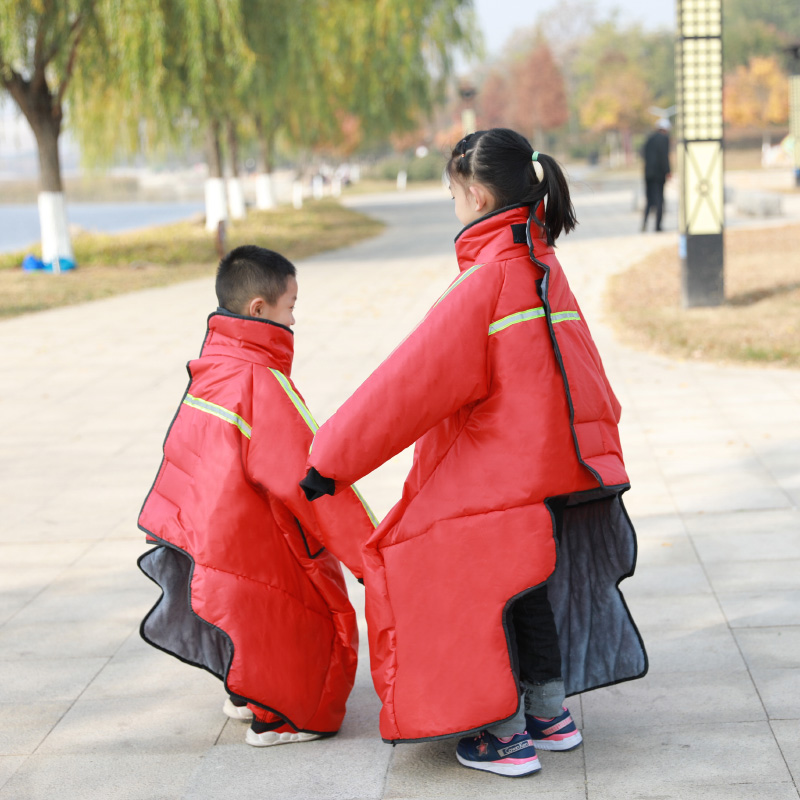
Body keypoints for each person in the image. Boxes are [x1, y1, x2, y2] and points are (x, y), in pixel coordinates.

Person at [300, 129, 648, 778]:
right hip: (552, 477)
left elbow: (404, 389)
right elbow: (590, 379)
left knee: (459, 584)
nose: (453, 200)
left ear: (477, 192)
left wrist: (329, 461)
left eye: (453, 189)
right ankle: (550, 714)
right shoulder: (545, 268)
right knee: (527, 591)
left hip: (492, 483)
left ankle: (502, 735)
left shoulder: (486, 283)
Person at [137, 245, 376, 747]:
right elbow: (310, 477)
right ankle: (285, 718)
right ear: (259, 310)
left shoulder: (216, 364)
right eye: (291, 306)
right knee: (303, 612)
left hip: (212, 528)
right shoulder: (260, 381)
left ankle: (244, 693)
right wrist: (369, 552)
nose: (295, 319)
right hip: (253, 535)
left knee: (247, 614)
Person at [642, 118, 672, 232]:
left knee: (649, 199)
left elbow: (643, 154)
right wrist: (668, 171)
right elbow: (664, 157)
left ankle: (644, 223)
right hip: (659, 175)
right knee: (659, 199)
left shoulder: (649, 139)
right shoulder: (664, 139)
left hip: (648, 173)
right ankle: (658, 226)